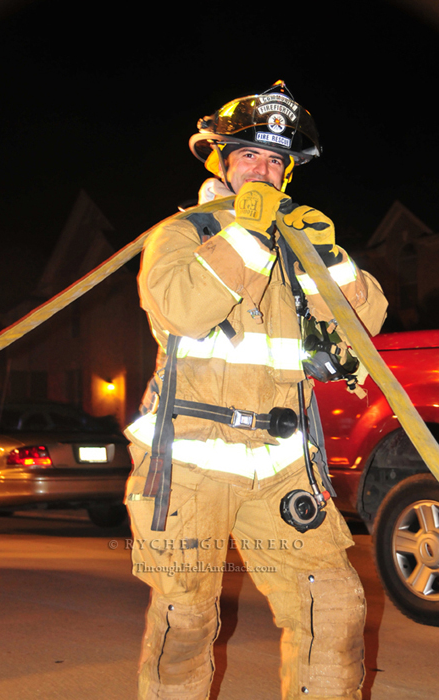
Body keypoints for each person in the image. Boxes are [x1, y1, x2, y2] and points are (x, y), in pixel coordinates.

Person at [124, 80, 387, 700]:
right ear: (221, 161)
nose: (263, 170)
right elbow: (183, 309)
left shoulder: (299, 243)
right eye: (249, 155)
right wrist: (245, 235)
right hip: (189, 464)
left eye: (275, 160)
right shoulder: (181, 235)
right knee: (187, 619)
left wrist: (330, 260)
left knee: (332, 608)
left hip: (282, 464)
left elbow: (365, 327)